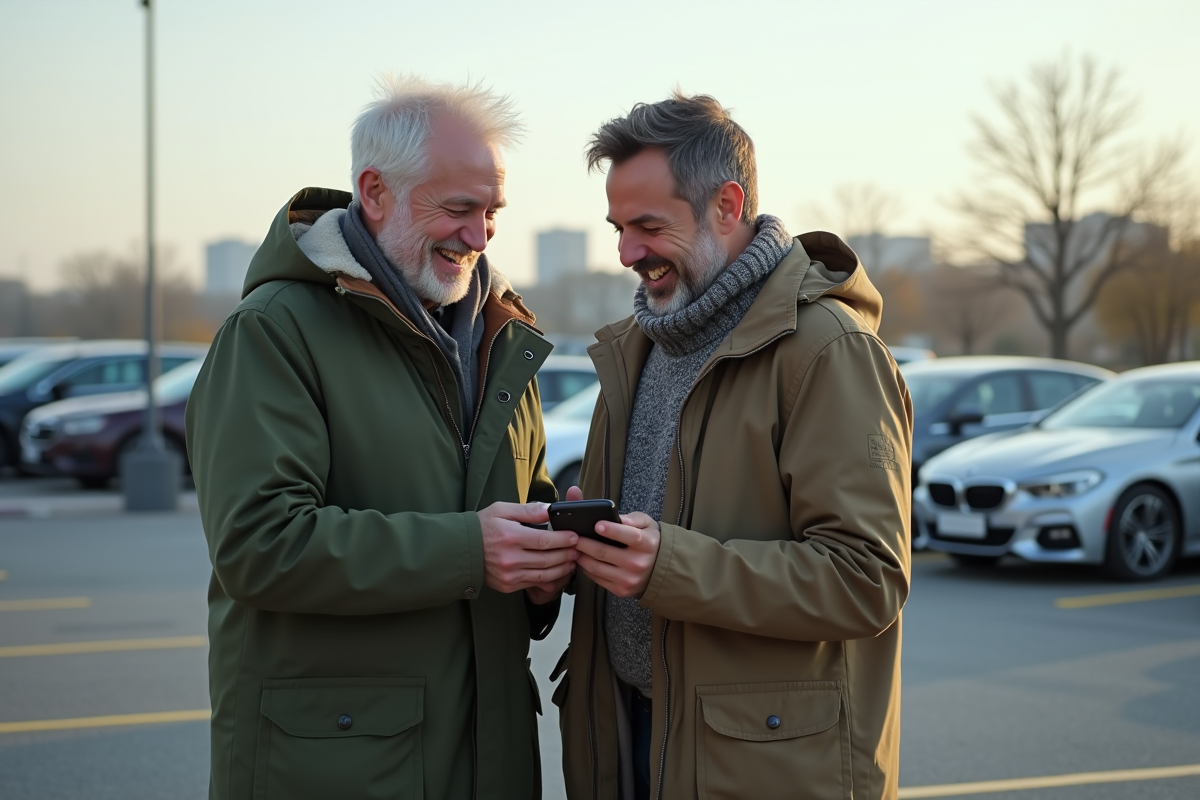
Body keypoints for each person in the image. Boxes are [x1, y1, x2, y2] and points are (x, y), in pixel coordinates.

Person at [186, 76, 577, 800]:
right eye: (458, 209)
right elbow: (258, 544)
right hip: (335, 769)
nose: (479, 235)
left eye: (492, 211)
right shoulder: (273, 332)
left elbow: (516, 508)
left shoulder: (503, 334)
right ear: (374, 192)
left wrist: (546, 559)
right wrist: (473, 549)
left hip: (487, 760)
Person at [552, 93, 913, 800]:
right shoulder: (635, 350)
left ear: (726, 204)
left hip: (758, 767)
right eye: (618, 228)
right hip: (631, 739)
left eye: (649, 226)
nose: (626, 253)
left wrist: (670, 564)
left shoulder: (827, 352)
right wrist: (571, 556)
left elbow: (867, 579)